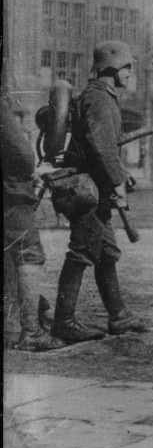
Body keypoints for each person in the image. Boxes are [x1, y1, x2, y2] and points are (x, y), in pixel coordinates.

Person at [52, 40, 149, 344]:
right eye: (128, 68)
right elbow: (100, 146)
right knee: (81, 252)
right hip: (88, 191)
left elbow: (103, 148)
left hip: (93, 187)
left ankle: (118, 315)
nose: (130, 75)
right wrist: (117, 180)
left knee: (106, 252)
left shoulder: (99, 96)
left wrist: (121, 174)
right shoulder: (100, 99)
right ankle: (64, 322)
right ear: (114, 67)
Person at [1, 88, 64, 351]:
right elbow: (19, 151)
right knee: (28, 253)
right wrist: (34, 170)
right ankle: (32, 333)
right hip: (11, 192)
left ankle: (10, 328)